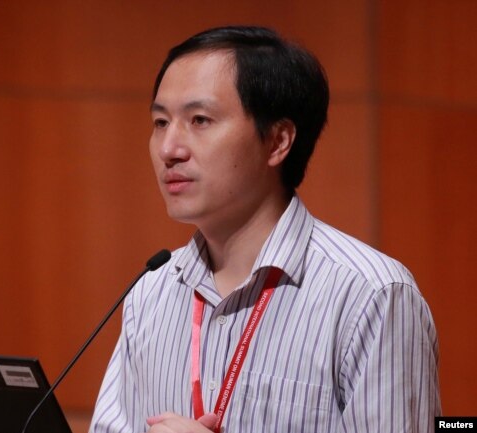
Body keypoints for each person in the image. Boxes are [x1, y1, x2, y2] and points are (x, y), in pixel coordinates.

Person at [89, 26, 440, 433]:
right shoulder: (151, 291)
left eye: (199, 120)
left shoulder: (370, 295)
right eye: (161, 122)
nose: (169, 148)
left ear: (277, 141)